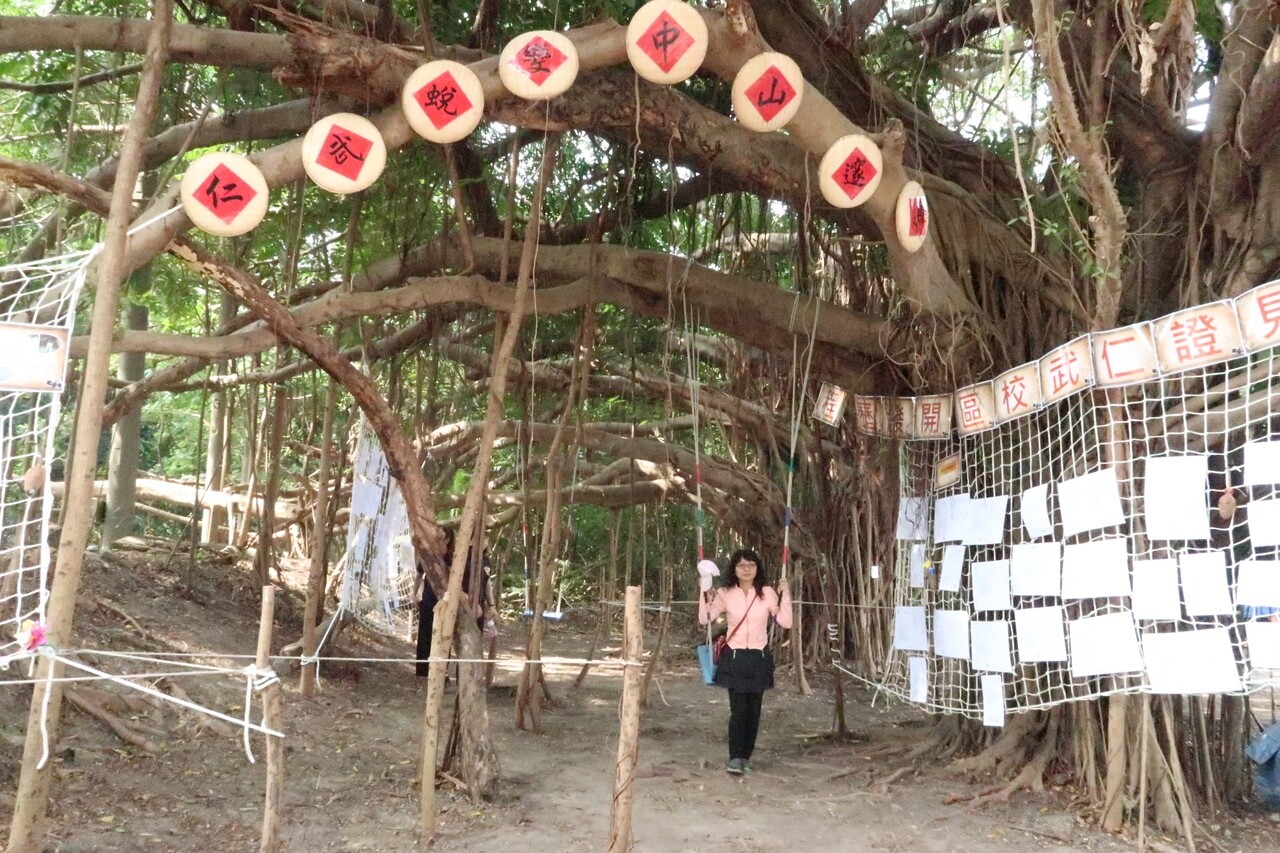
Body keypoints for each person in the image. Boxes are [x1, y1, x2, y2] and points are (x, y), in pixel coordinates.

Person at [698, 548, 792, 775]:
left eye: (751, 565)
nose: (746, 569)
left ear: (757, 568)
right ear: (735, 569)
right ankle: (735, 757)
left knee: (754, 710)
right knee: (738, 710)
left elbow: (786, 622)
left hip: (758, 656)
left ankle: (746, 756)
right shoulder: (725, 593)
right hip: (736, 656)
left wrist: (785, 594)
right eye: (741, 565)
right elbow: (705, 618)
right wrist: (704, 594)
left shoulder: (767, 593)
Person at [412, 528, 497, 678]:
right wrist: (413, 594)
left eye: (445, 538)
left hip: (450, 603)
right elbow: (420, 575)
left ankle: (446, 673)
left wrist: (487, 604)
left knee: (448, 638)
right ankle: (424, 672)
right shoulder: (431, 556)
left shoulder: (459, 558)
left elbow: (462, 582)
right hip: (431, 601)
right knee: (427, 636)